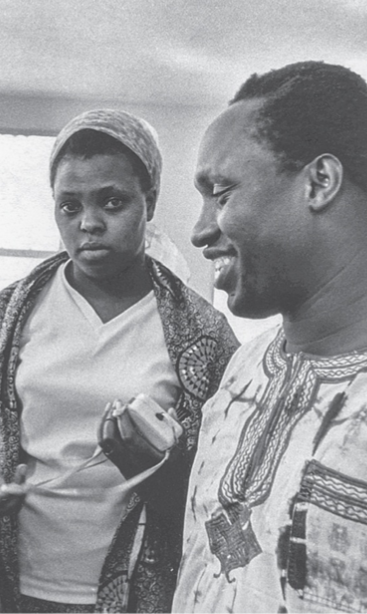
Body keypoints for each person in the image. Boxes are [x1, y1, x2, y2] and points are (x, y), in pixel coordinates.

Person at [0, 109, 239, 612]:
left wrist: (156, 464)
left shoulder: (200, 335)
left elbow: (225, 484)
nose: (89, 223)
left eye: (112, 202)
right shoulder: (4, 317)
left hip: (143, 592)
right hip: (6, 585)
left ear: (150, 202)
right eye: (68, 206)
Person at [172, 61, 367, 613]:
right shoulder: (244, 370)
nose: (201, 229)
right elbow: (230, 557)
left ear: (319, 182)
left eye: (222, 193)